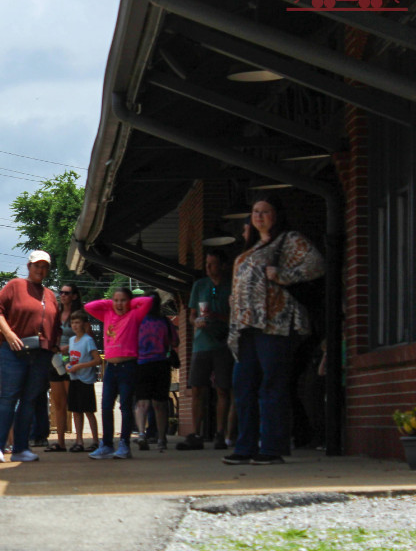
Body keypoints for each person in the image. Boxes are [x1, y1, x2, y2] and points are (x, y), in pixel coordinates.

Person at [223, 195, 325, 466]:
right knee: (243, 387)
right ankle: (244, 446)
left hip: (277, 325)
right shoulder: (251, 249)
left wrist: (282, 275)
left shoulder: (289, 240)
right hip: (247, 328)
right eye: (255, 212)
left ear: (276, 215)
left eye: (265, 212)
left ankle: (271, 447)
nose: (259, 216)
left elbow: (316, 264)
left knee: (272, 386)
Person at [0, 251, 61, 463]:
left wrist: (55, 346)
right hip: (15, 350)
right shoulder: (15, 285)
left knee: (29, 400)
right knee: (8, 397)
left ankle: (20, 448)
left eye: (45, 266)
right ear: (29, 267)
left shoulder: (50, 295)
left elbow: (55, 325)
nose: (40, 270)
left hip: (41, 353)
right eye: (37, 265)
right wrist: (8, 334)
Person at [84, 288, 153, 459]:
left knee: (125, 406)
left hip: (128, 366)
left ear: (129, 302)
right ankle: (106, 444)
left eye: (123, 300)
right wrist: (111, 304)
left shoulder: (134, 315)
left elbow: (148, 301)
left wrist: (129, 303)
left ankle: (124, 444)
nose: (119, 304)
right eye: (116, 300)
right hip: (111, 368)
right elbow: (89, 307)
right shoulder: (108, 314)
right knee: (106, 406)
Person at [180, 250, 235, 451]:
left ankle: (221, 432)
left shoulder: (231, 285)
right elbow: (192, 315)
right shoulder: (200, 286)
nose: (209, 268)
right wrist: (198, 322)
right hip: (201, 344)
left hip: (224, 343)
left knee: (223, 388)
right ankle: (195, 433)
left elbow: (237, 317)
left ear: (223, 265)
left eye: (213, 264)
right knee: (197, 388)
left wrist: (218, 317)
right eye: (207, 264)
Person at [134, 293, 179, 452]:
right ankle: (161, 438)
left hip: (142, 364)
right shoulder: (165, 322)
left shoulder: (138, 321)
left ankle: (141, 434)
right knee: (159, 404)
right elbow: (175, 342)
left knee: (142, 402)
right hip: (161, 364)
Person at [44, 284, 83, 452]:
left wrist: (65, 348)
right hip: (55, 360)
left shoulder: (79, 315)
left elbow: (84, 337)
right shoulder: (56, 314)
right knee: (58, 403)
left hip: (72, 360)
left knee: (74, 402)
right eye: (61, 292)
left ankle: (79, 440)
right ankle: (60, 442)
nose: (63, 295)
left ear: (74, 296)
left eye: (66, 293)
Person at [66, 309, 101, 452]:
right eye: (73, 322)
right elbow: (71, 358)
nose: (75, 325)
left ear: (83, 324)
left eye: (77, 322)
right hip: (74, 379)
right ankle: (78, 440)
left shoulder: (88, 340)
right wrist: (69, 364)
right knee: (75, 411)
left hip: (85, 379)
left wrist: (81, 366)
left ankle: (95, 440)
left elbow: (97, 359)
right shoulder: (71, 341)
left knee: (88, 410)